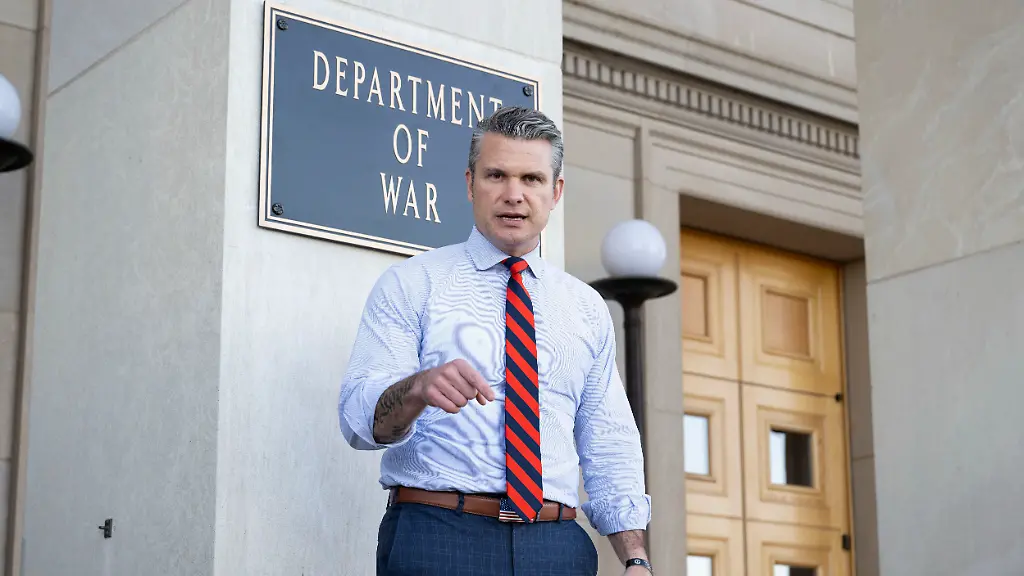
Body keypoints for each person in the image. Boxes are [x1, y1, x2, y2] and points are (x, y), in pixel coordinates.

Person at [339, 105, 654, 576]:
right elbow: (360, 422)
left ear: (555, 191)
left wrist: (635, 558)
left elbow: (608, 438)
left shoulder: (586, 307)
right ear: (470, 184)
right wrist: (417, 389)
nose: (514, 195)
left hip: (557, 546)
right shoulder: (412, 284)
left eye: (531, 179)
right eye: (496, 175)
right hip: (439, 537)